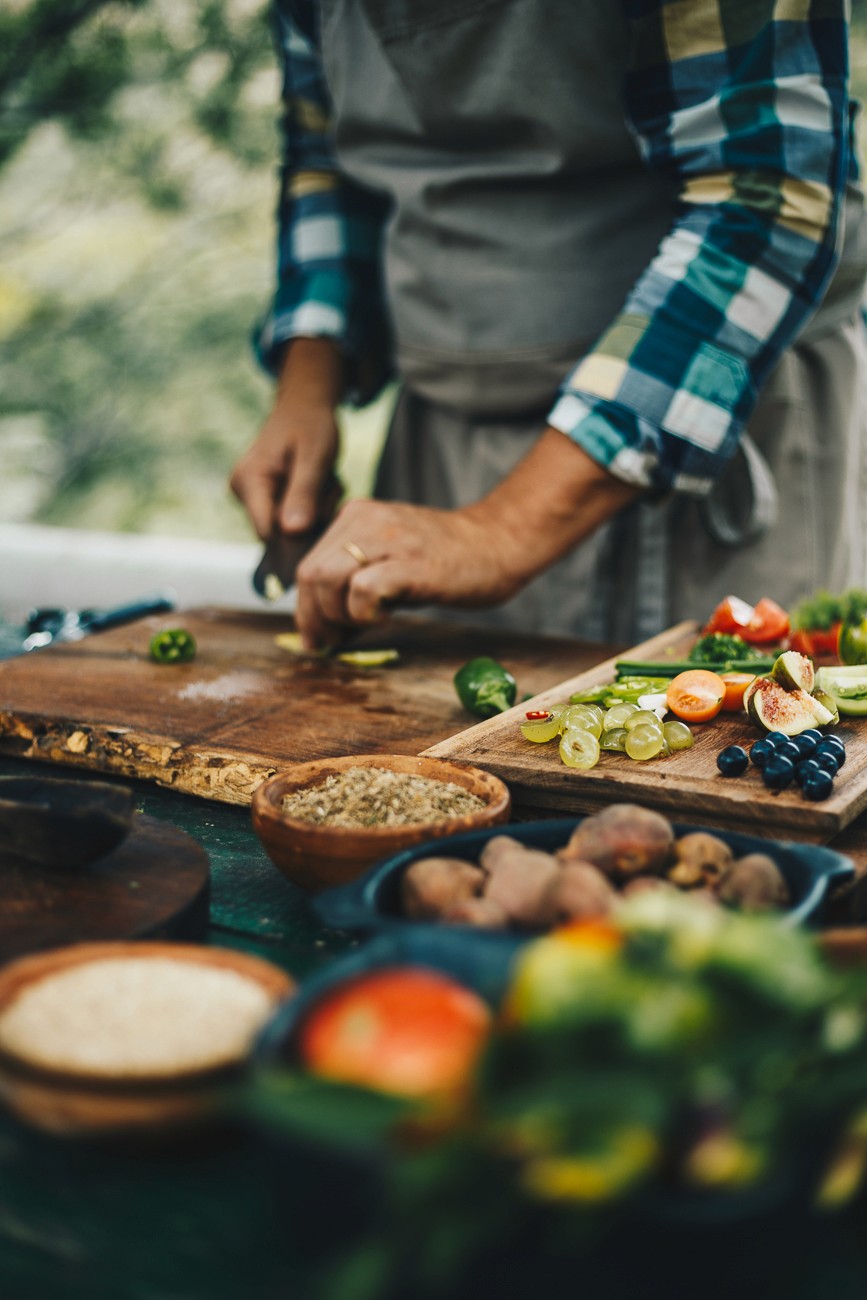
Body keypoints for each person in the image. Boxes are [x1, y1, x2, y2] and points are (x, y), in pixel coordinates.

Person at [230, 0, 867, 652]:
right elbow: (323, 154)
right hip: (440, 442)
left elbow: (767, 193)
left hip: (701, 438)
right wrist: (308, 379)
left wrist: (503, 530)